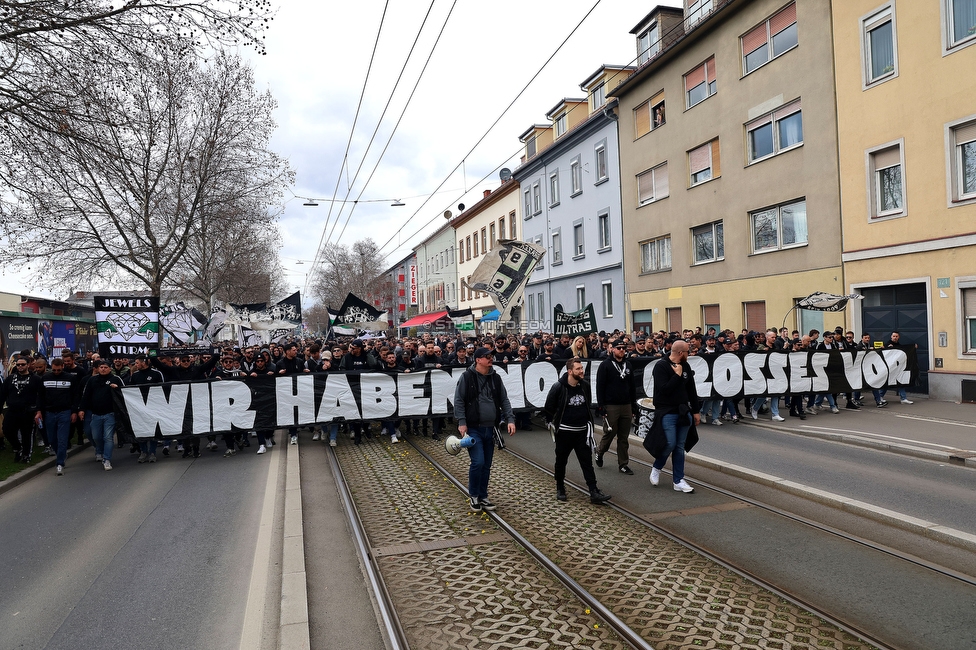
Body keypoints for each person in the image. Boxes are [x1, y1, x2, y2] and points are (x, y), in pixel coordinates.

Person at [453, 347, 516, 512]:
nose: (490, 359)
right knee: (478, 462)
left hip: (491, 428)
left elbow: (504, 399)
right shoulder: (466, 377)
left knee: (486, 465)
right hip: (474, 428)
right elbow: (459, 400)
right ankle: (474, 495)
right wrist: (461, 422)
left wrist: (510, 419)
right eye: (487, 356)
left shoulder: (496, 378)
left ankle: (483, 495)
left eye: (491, 356)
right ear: (478, 360)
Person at [544, 357, 612, 504]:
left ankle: (593, 491)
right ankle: (560, 486)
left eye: (582, 368)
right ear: (570, 371)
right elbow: (549, 407)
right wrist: (556, 422)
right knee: (561, 461)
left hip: (582, 432)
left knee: (586, 462)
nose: (582, 371)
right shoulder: (558, 387)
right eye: (578, 369)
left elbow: (587, 404)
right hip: (564, 432)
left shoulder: (585, 386)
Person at [644, 340, 700, 493]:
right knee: (669, 443)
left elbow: (691, 390)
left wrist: (696, 410)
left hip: (683, 411)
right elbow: (663, 390)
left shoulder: (686, 366)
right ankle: (657, 467)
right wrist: (676, 376)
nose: (690, 354)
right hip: (667, 411)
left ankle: (678, 480)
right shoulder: (661, 366)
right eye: (688, 352)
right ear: (681, 353)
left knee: (680, 447)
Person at [595, 340, 637, 475]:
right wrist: (601, 406)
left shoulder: (628, 365)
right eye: (619, 348)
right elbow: (600, 386)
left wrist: (634, 406)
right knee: (610, 433)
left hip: (626, 405)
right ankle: (600, 452)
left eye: (624, 348)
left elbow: (632, 387)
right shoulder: (605, 365)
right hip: (611, 405)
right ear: (612, 349)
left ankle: (623, 464)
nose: (622, 350)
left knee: (623, 437)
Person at [79, 360, 122, 470]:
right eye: (101, 367)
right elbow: (86, 395)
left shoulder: (115, 379)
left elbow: (124, 394)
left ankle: (107, 459)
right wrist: (82, 409)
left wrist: (117, 388)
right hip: (96, 414)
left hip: (110, 414)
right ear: (97, 369)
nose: (103, 369)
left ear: (110, 368)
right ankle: (100, 450)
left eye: (105, 367)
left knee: (108, 437)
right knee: (96, 437)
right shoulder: (92, 380)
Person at [1, 355, 44, 464]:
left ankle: (26, 455)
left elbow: (41, 395)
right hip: (13, 410)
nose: (20, 366)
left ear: (28, 365)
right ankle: (18, 448)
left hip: (28, 410)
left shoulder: (36, 379)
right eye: (18, 364)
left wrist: (38, 410)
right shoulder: (10, 378)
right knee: (7, 429)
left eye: (23, 364)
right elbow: (3, 394)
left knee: (27, 434)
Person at [41, 357, 79, 475]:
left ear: (62, 367)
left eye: (58, 370)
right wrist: (39, 411)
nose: (56, 372)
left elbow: (75, 396)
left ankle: (60, 463)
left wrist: (74, 411)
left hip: (65, 411)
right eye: (54, 370)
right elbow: (41, 396)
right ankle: (61, 454)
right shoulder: (45, 378)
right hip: (49, 412)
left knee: (62, 439)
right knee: (52, 438)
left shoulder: (70, 378)